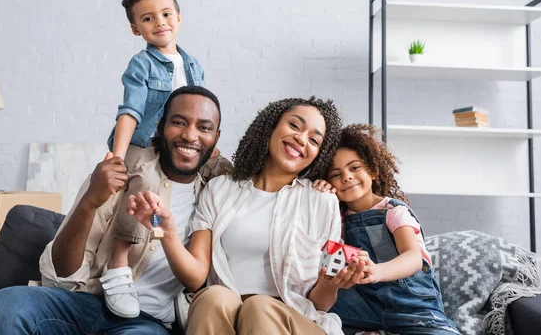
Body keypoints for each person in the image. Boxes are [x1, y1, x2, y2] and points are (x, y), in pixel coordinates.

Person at [0, 86, 229, 334]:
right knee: (3, 306)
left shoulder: (216, 192)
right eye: (179, 122)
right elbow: (63, 275)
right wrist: (90, 202)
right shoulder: (121, 170)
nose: (190, 135)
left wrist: (166, 232)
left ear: (216, 137)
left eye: (204, 127)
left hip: (145, 321)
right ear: (161, 127)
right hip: (81, 303)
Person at [129, 97, 366, 335]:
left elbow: (319, 304)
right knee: (213, 297)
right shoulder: (219, 189)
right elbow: (195, 277)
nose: (301, 139)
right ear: (271, 126)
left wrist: (329, 283)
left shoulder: (321, 201)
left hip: (295, 322)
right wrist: (165, 232)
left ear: (318, 153)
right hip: (227, 313)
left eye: (314, 140)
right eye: (294, 126)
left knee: (259, 307)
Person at [105, 0, 219, 318]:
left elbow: (202, 107)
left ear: (179, 18)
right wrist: (118, 156)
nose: (160, 23)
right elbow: (130, 112)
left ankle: (194, 285)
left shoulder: (193, 64)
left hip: (179, 143)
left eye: (166, 14)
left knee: (227, 173)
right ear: (135, 28)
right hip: (145, 142)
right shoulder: (142, 64)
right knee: (142, 188)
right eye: (148, 18)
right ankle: (118, 266)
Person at [324, 124, 460, 335]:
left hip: (412, 307)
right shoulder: (337, 219)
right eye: (335, 174)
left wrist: (378, 271)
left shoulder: (392, 211)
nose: (346, 177)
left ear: (373, 171)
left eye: (354, 168)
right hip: (365, 306)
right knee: (311, 307)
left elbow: (414, 258)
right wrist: (318, 192)